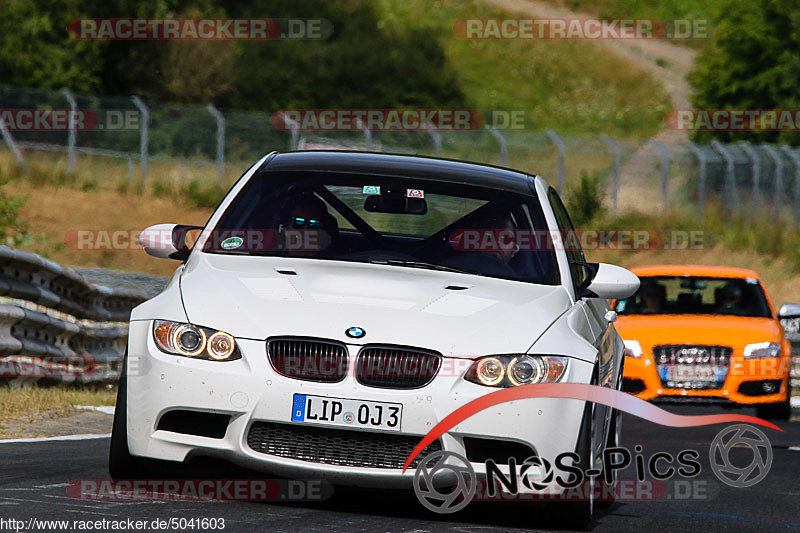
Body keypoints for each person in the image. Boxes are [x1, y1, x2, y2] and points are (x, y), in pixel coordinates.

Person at [278, 193, 339, 257]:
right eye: (298, 222)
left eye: (314, 224)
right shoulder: (271, 260)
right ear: (285, 229)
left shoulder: (334, 263)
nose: (306, 230)